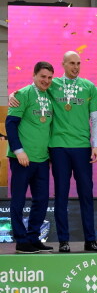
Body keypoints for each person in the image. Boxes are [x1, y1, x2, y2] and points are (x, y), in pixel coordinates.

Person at [50, 51, 97, 252]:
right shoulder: (52, 85)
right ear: (63, 64)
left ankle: (90, 239)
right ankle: (63, 240)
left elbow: (96, 118)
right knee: (61, 195)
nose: (75, 67)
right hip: (59, 147)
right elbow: (34, 89)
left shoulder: (89, 86)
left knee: (86, 195)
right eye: (71, 63)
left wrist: (95, 144)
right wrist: (13, 94)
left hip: (82, 147)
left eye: (78, 63)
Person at [6, 62, 56, 253]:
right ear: (34, 75)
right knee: (18, 199)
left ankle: (33, 237)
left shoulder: (50, 96)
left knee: (42, 200)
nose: (46, 81)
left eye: (50, 77)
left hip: (42, 159)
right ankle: (20, 240)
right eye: (43, 76)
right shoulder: (23, 94)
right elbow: (10, 124)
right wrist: (19, 151)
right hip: (22, 158)